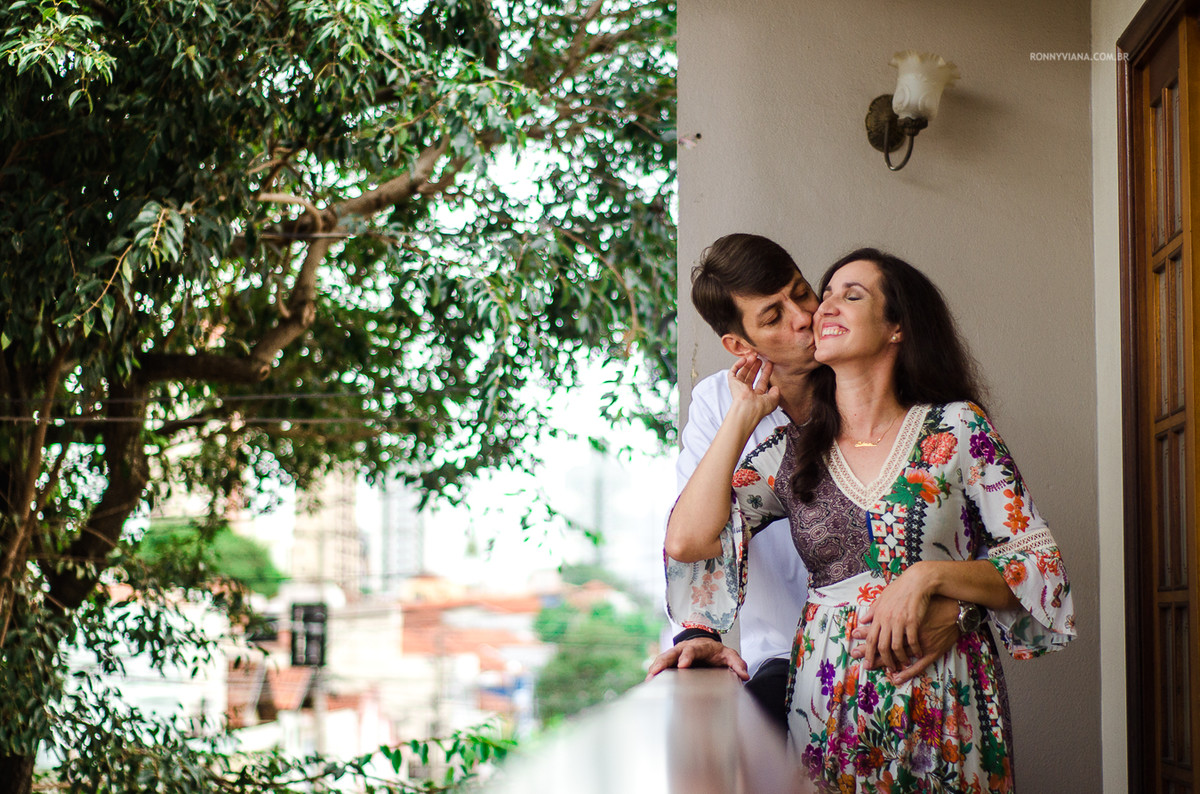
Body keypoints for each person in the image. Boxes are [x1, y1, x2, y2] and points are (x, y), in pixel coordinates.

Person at [665, 248, 1076, 792]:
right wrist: (744, 413)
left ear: (897, 327)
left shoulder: (957, 429)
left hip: (948, 711)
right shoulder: (793, 452)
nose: (818, 311)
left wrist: (929, 578)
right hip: (825, 715)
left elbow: (1039, 566)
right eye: (827, 291)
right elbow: (691, 539)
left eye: (847, 295)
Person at [650, 235, 963, 732]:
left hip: (903, 652)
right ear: (739, 346)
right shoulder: (721, 407)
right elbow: (691, 538)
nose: (803, 318)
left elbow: (979, 534)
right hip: (781, 655)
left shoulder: (876, 389)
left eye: (801, 293)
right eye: (773, 317)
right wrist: (696, 631)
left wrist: (957, 605)